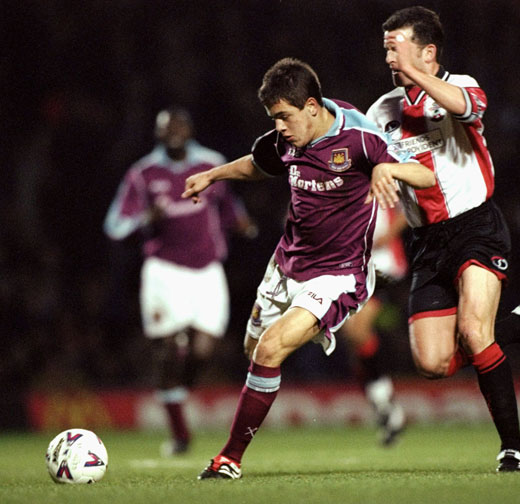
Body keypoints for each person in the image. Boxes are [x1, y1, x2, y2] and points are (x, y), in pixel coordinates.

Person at [181, 57, 434, 480]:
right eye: (273, 118)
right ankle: (313, 328)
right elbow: (259, 165)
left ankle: (228, 459)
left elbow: (422, 176)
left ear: (312, 107)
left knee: (270, 350)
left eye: (284, 116)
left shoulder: (360, 138)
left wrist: (390, 167)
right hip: (285, 266)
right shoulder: (287, 137)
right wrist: (214, 175)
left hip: (338, 274)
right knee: (254, 351)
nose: (279, 126)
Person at [365, 6, 520, 472]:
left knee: (474, 332)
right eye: (386, 47)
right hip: (426, 243)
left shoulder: (461, 85)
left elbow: (468, 107)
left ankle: (512, 448)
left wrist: (415, 76)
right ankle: (519, 327)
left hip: (476, 227)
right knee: (431, 364)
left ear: (428, 51)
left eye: (398, 46)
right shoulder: (381, 111)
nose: (389, 55)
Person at [103, 107, 257, 456]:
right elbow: (114, 224)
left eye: (179, 125)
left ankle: (175, 392)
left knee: (203, 351)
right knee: (168, 350)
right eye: (166, 127)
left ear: (190, 129)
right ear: (157, 134)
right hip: (164, 272)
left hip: (207, 271)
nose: (173, 131)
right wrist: (145, 218)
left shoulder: (211, 163)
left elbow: (229, 204)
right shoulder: (143, 173)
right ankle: (180, 435)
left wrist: (243, 223)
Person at [339, 205, 409, 446]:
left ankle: (383, 400)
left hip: (384, 265)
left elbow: (410, 208)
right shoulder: (339, 175)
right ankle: (384, 405)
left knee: (355, 331)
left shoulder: (387, 171)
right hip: (350, 266)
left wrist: (386, 237)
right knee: (354, 339)